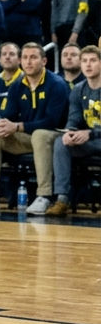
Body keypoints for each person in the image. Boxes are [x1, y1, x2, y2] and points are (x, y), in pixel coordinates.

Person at [0, 42, 69, 214]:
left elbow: (51, 121)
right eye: (25, 58)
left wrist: (18, 126)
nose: (28, 62)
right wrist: (3, 124)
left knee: (40, 135)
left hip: (56, 137)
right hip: (28, 137)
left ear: (44, 61)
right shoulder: (18, 85)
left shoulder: (56, 84)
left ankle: (44, 195)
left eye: (33, 57)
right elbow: (9, 115)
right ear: (20, 61)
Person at [47, 45, 101, 216]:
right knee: (61, 143)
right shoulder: (78, 89)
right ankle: (62, 199)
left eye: (93, 60)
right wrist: (69, 132)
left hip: (95, 136)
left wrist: (90, 133)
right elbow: (74, 118)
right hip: (91, 140)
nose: (88, 65)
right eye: (84, 61)